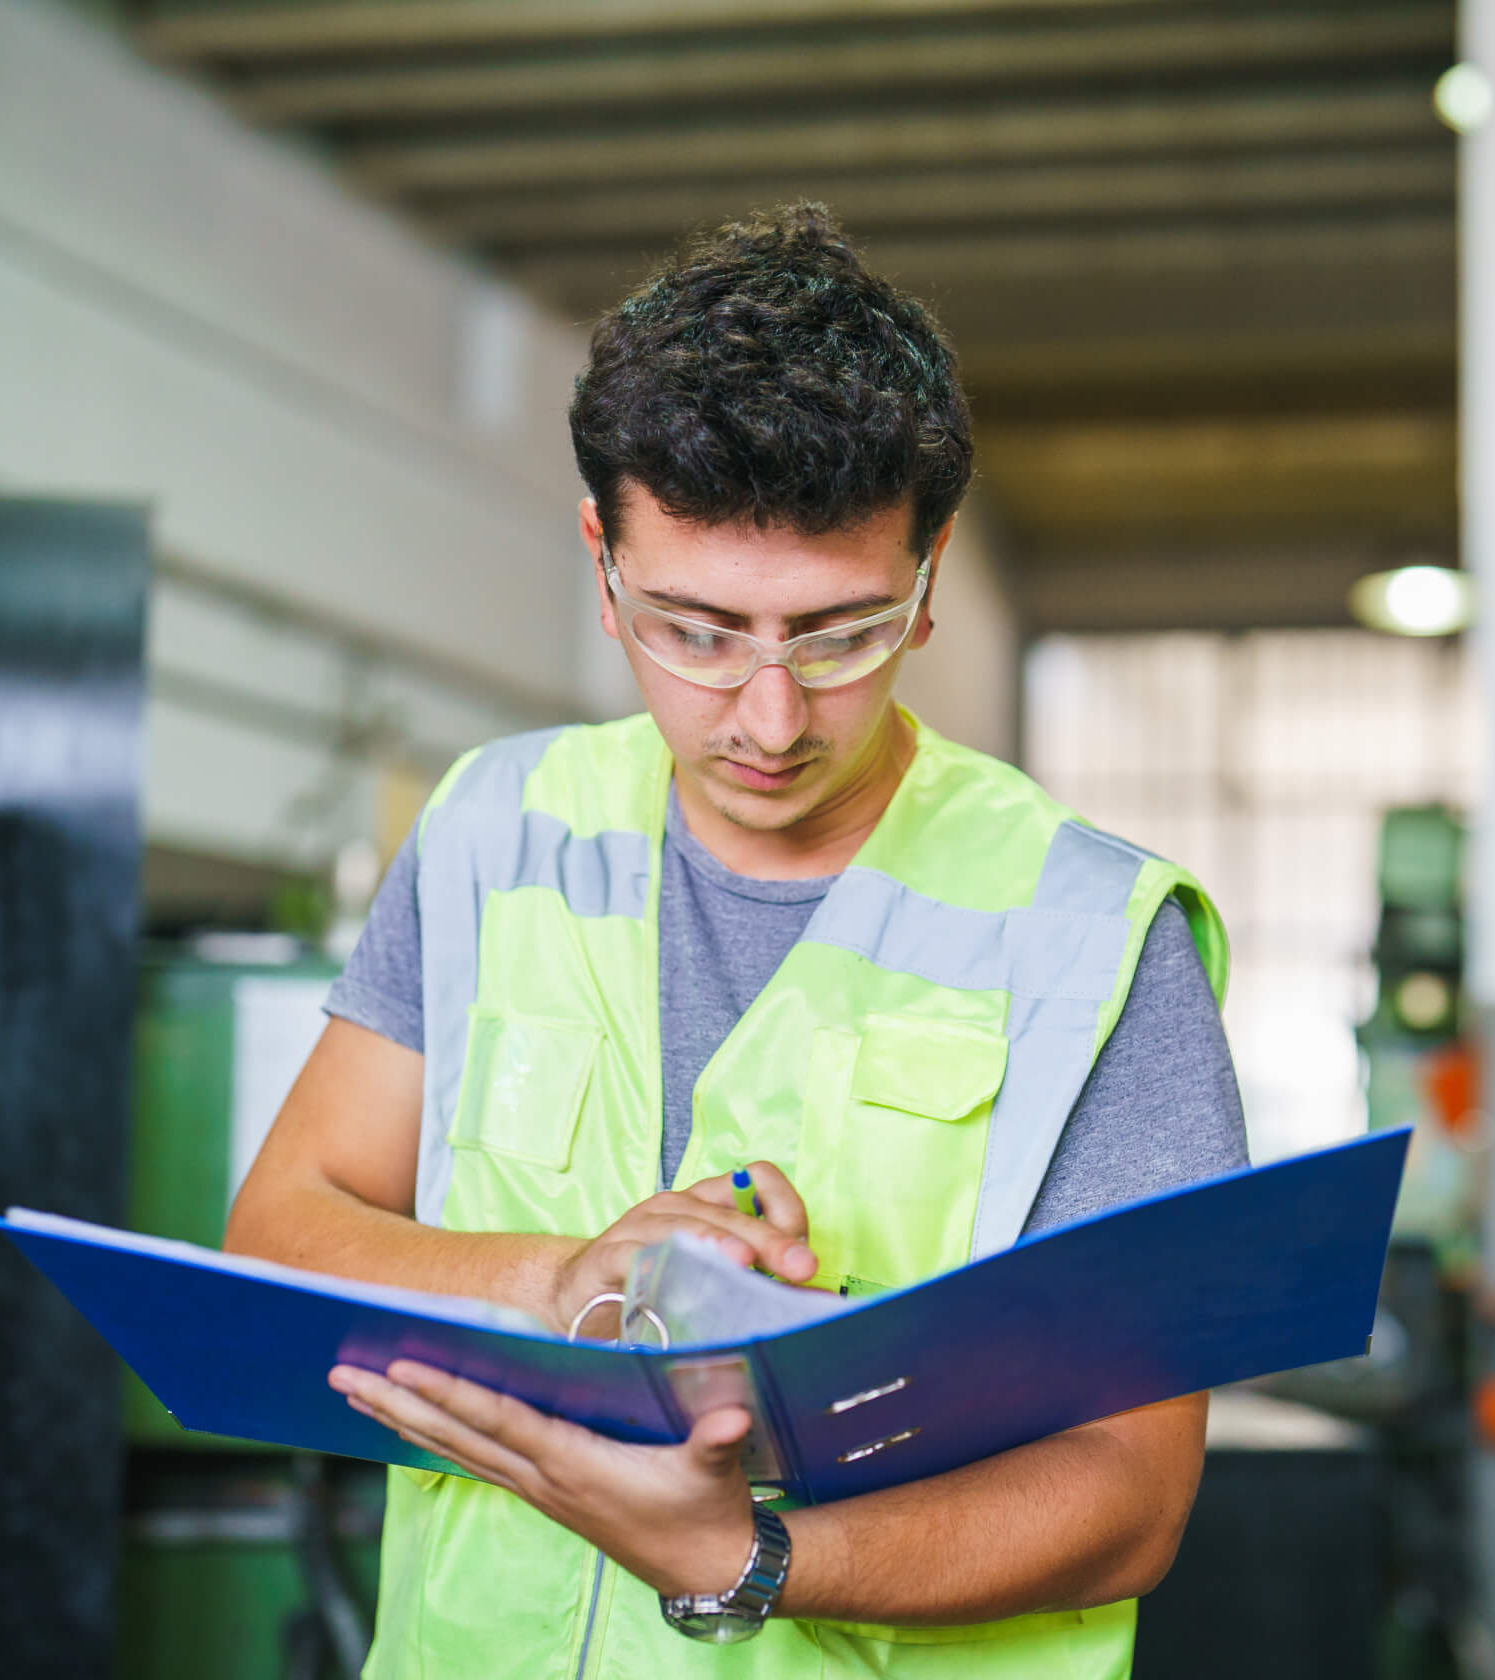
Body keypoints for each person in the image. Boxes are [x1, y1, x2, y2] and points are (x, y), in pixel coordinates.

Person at [227, 203, 1249, 1680]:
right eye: (695, 631)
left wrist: (751, 1559)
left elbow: (1130, 1491)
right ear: (602, 561)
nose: (770, 720)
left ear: (931, 575)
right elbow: (281, 1234)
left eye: (839, 634)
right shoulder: (497, 830)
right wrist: (563, 1283)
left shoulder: (1089, 938)